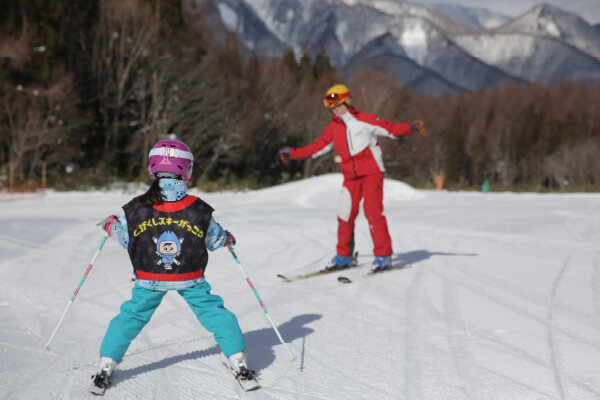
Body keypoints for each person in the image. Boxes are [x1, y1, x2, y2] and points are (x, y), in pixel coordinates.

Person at [91, 139, 255, 392]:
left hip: (149, 277)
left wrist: (111, 224)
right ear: (187, 171)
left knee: (131, 316)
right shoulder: (198, 209)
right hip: (189, 276)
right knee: (215, 313)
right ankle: (238, 360)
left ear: (152, 170)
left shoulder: (137, 207)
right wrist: (227, 238)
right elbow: (214, 240)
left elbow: (125, 238)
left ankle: (106, 364)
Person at [279, 84, 426, 271]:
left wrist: (412, 127)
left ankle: (383, 256)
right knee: (345, 215)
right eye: (332, 106)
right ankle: (344, 256)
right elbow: (316, 148)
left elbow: (392, 129)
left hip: (372, 173)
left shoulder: (366, 120)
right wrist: (293, 153)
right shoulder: (333, 129)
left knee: (373, 212)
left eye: (339, 104)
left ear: (347, 102)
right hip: (351, 177)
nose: (336, 109)